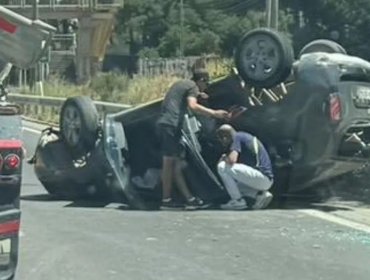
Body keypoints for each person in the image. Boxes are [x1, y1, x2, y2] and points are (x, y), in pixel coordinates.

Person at [156, 68, 229, 210]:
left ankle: (189, 199)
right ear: (201, 81)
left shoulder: (184, 84)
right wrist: (214, 113)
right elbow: (193, 106)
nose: (206, 87)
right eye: (206, 84)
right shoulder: (193, 87)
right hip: (171, 124)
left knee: (176, 164)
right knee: (169, 163)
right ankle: (166, 200)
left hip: (167, 124)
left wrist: (199, 94)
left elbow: (182, 97)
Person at [216, 124, 274, 210]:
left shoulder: (237, 137)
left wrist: (224, 157)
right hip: (266, 179)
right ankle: (260, 194)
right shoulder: (245, 137)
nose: (221, 142)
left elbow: (232, 160)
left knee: (222, 167)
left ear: (225, 137)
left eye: (221, 139)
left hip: (261, 176)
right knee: (235, 187)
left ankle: (237, 201)